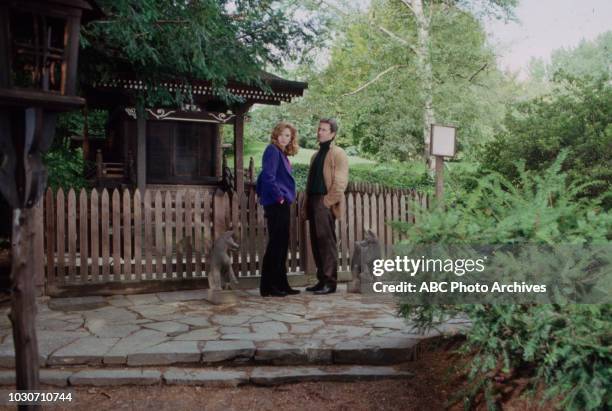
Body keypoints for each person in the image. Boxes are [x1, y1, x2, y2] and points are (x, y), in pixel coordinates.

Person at [300, 118, 349, 295]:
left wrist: (327, 202)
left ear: (333, 133)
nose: (320, 132)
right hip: (313, 201)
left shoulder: (338, 153)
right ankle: (321, 280)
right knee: (316, 241)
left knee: (326, 242)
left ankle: (330, 282)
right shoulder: (315, 155)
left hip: (324, 201)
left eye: (324, 130)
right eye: (319, 129)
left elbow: (341, 182)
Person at [256, 122, 301, 297]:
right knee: (276, 244)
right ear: (276, 135)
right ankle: (269, 286)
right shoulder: (272, 150)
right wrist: (280, 197)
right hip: (276, 203)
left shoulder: (281, 153)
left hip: (280, 202)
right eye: (282, 134)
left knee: (282, 244)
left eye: (288, 135)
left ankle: (281, 284)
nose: (284, 138)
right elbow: (268, 176)